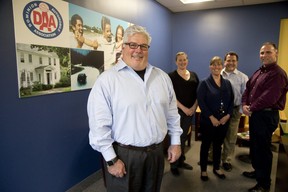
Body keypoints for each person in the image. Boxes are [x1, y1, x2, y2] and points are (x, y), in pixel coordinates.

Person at [87, 25, 182, 192]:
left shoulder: (162, 77)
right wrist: (111, 160)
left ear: (148, 49)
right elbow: (98, 126)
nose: (138, 50)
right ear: (123, 47)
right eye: (132, 45)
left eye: (143, 46)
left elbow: (172, 114)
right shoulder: (107, 80)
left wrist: (175, 142)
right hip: (123, 156)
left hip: (156, 154)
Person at [242, 42, 288, 192]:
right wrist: (244, 104)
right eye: (262, 53)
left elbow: (269, 98)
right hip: (256, 114)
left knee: (263, 150)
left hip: (266, 116)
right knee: (255, 147)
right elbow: (248, 89)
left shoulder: (278, 74)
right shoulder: (260, 71)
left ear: (276, 53)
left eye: (268, 52)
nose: (264, 56)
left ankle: (264, 184)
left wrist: (251, 108)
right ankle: (258, 172)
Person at [197, 56, 234, 181]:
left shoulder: (227, 83)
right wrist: (211, 117)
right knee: (206, 145)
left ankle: (217, 168)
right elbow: (201, 102)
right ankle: (203, 170)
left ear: (222, 66)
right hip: (208, 121)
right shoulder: (204, 83)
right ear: (210, 67)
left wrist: (228, 116)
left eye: (219, 64)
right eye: (214, 64)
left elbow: (231, 101)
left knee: (219, 145)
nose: (216, 67)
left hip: (224, 121)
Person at [168, 52, 199, 176]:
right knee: (176, 138)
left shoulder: (194, 75)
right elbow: (171, 96)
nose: (182, 62)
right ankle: (173, 164)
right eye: (180, 60)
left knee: (184, 137)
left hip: (190, 111)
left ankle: (181, 160)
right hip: (176, 111)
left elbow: (198, 94)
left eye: (184, 60)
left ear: (188, 61)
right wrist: (184, 109)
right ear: (176, 62)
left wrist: (193, 107)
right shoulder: (171, 76)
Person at [220, 52, 249, 172]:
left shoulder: (243, 77)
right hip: (219, 110)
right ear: (225, 61)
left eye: (233, 61)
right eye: (228, 60)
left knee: (231, 137)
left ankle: (226, 160)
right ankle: (211, 157)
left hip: (235, 110)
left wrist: (241, 111)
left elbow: (246, 96)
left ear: (237, 62)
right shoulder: (218, 74)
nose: (231, 63)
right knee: (215, 135)